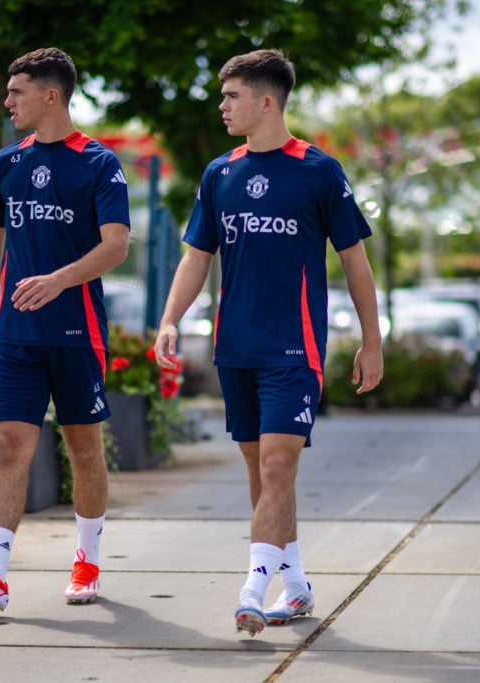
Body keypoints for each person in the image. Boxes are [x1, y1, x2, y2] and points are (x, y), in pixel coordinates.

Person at [153, 49, 383, 637]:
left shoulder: (319, 170)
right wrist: (170, 319)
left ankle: (252, 590)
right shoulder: (218, 173)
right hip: (235, 349)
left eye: (231, 96)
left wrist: (371, 340)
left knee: (280, 464)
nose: (222, 106)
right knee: (264, 475)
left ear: (266, 101)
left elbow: (355, 262)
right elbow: (196, 257)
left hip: (293, 349)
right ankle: (297, 586)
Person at [0, 47, 131, 612]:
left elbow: (116, 245)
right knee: (7, 446)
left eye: (16, 92)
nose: (7, 102)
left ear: (51, 95)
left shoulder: (99, 163)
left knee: (83, 449)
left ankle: (88, 561)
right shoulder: (4, 164)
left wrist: (61, 280)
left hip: (78, 334)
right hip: (17, 337)